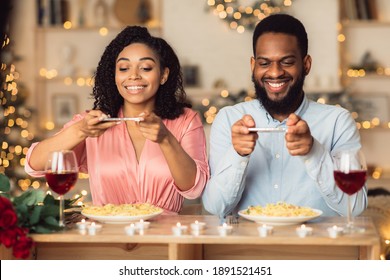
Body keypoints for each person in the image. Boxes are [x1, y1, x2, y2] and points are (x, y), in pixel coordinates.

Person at [25, 26, 209, 214]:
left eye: (145, 68)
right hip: (108, 237)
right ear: (114, 75)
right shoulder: (92, 123)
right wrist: (80, 130)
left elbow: (194, 188)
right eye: (123, 68)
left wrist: (166, 139)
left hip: (164, 238)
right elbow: (34, 164)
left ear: (163, 75)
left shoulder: (185, 120)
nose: (134, 75)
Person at [202, 14, 367, 218]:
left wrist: (314, 152)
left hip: (315, 246)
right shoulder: (229, 119)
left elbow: (355, 206)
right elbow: (215, 207)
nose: (275, 72)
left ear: (306, 65)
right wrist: (238, 154)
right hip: (248, 245)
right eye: (264, 63)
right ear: (253, 65)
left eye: (287, 62)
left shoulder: (337, 121)